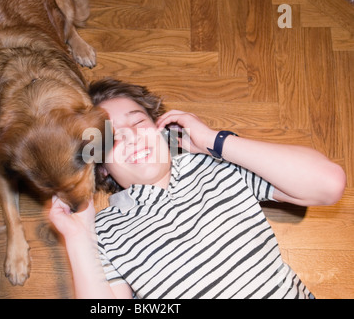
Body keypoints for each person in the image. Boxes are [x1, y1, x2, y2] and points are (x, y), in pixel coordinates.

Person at [48, 78, 346, 299]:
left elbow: (328, 183)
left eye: (138, 123)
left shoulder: (218, 165)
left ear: (161, 129)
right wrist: (78, 238)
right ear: (101, 166)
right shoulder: (103, 232)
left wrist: (215, 142)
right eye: (111, 139)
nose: (131, 138)